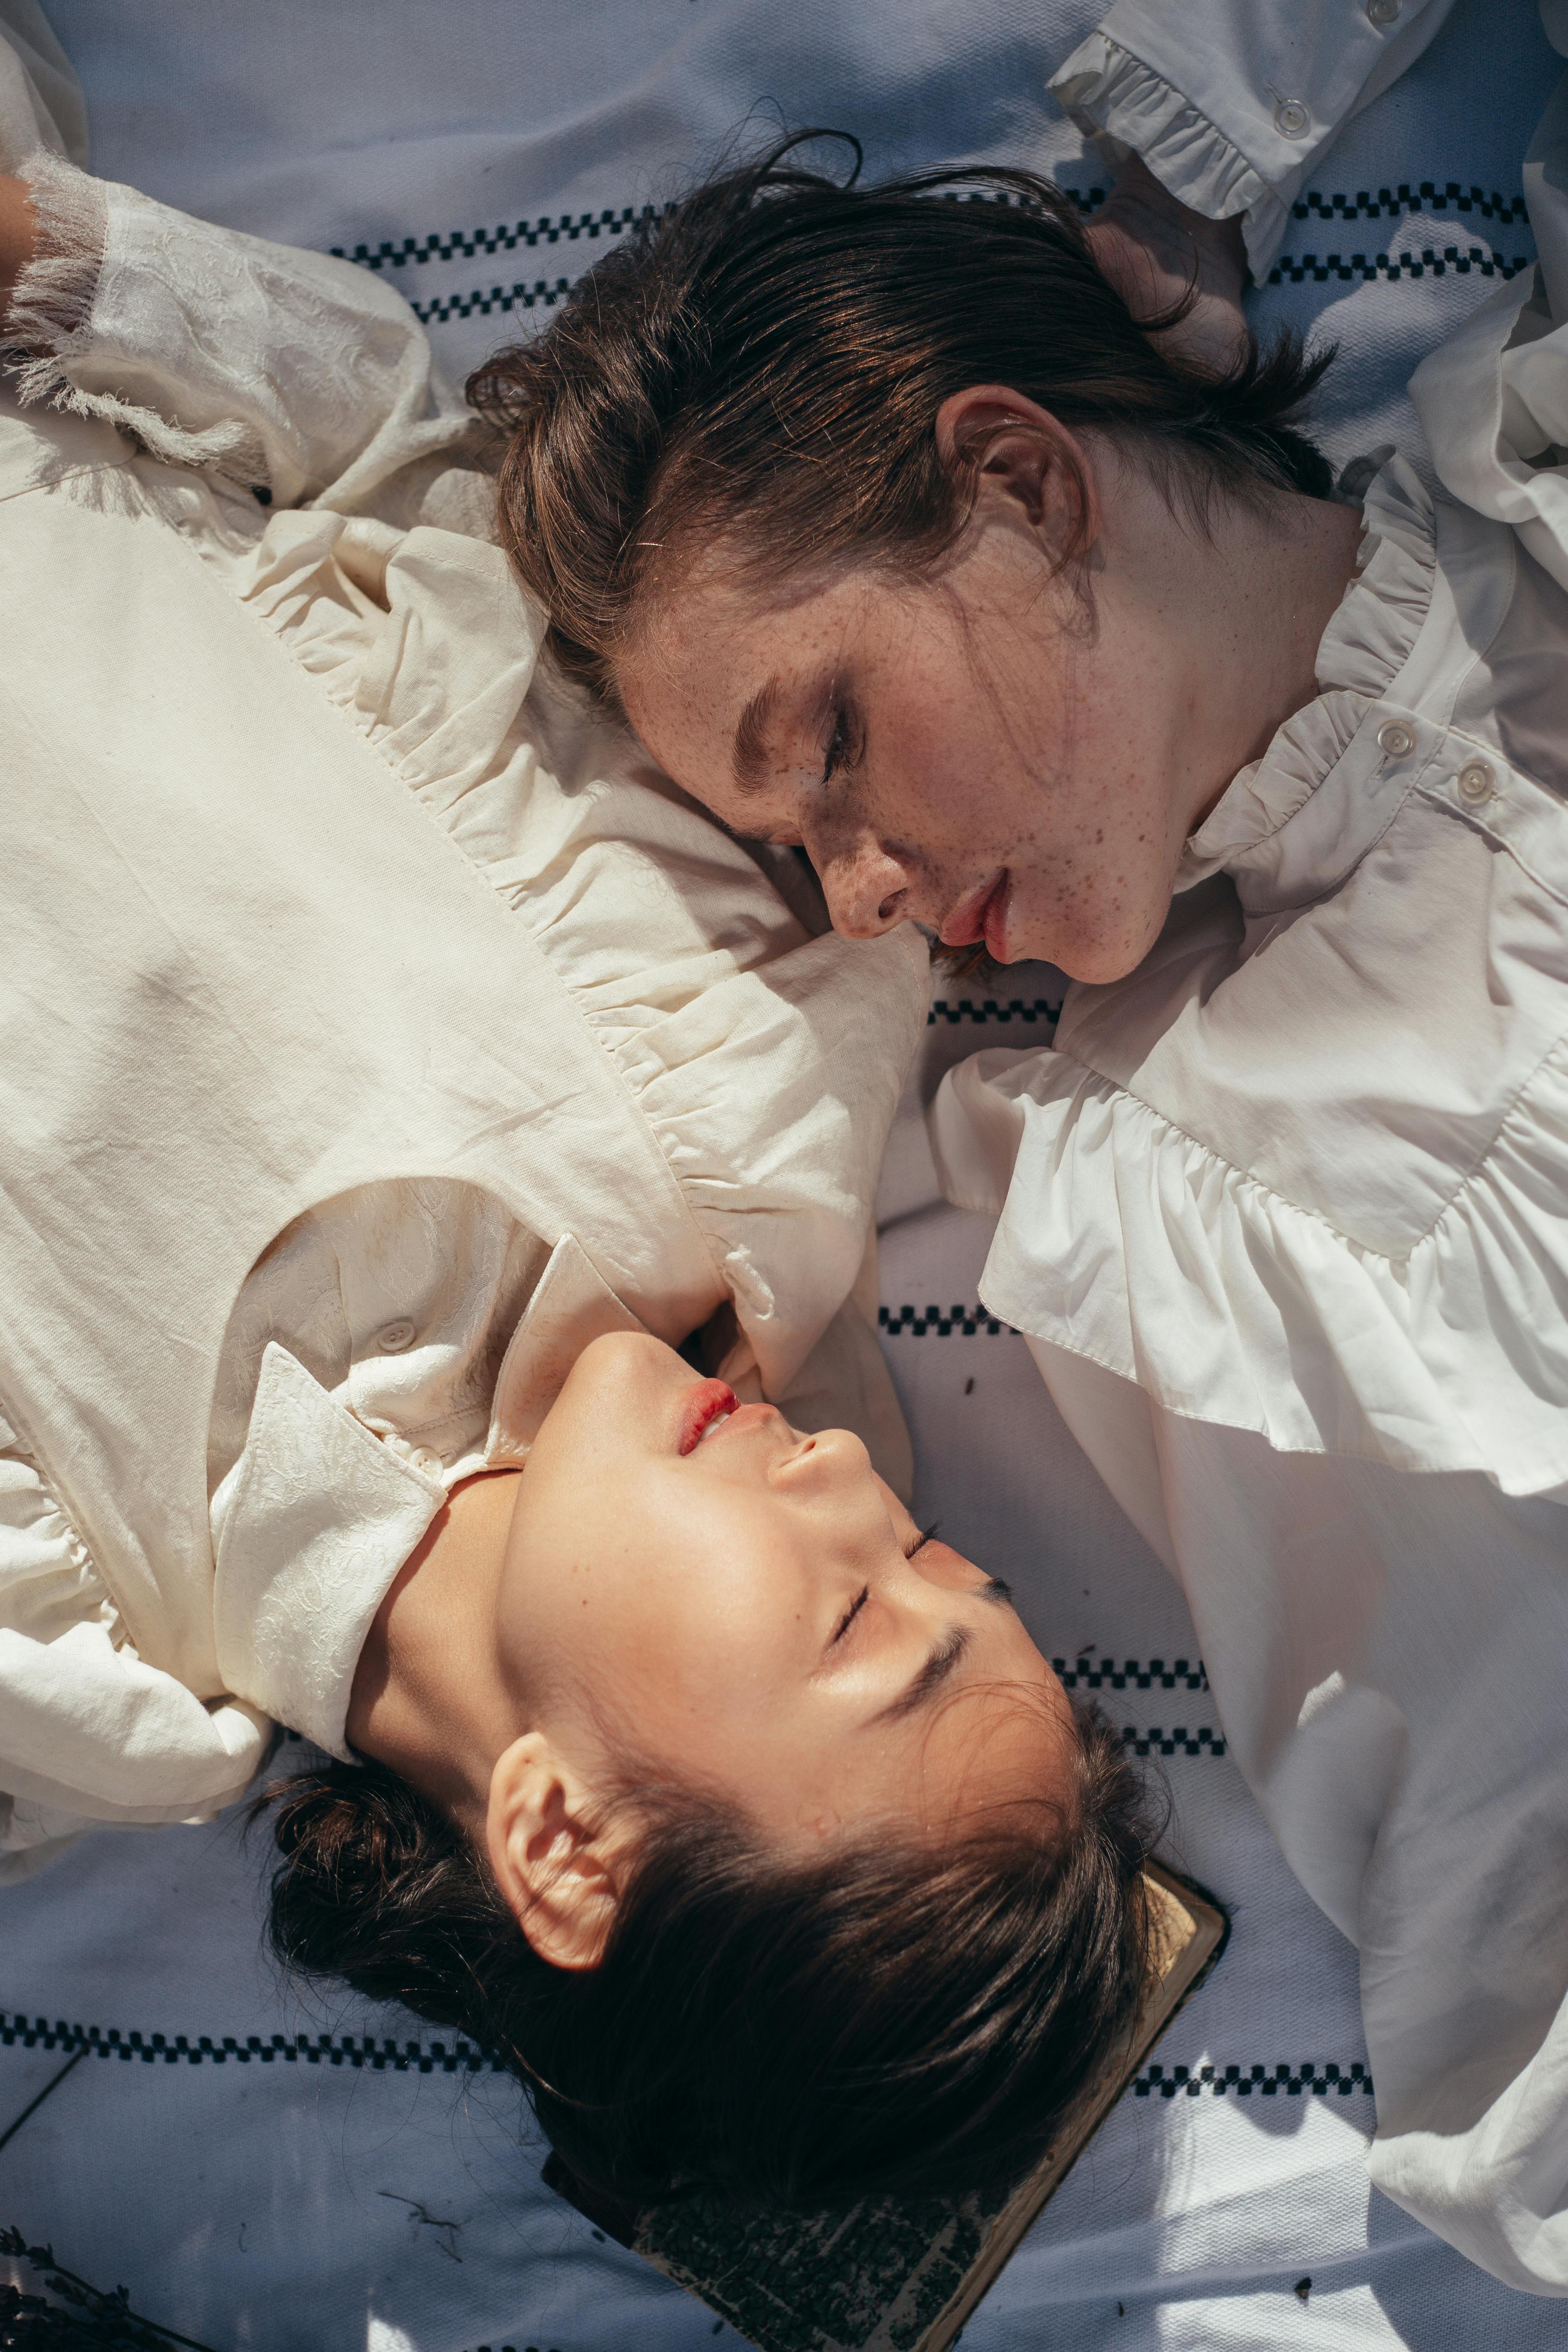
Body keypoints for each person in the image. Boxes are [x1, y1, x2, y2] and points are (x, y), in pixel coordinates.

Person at [0, 11, 1156, 2211]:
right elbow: (393, 473)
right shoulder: (738, 1096)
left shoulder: (79, 1683)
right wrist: (63, 265)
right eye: (921, 1542)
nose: (837, 1472)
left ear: (559, 1831)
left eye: (850, 1621)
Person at [481, 0, 1568, 2293]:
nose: (862, 889)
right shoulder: (1116, 1186)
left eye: (837, 740)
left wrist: (1175, 149)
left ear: (1016, 477)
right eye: (792, 841)